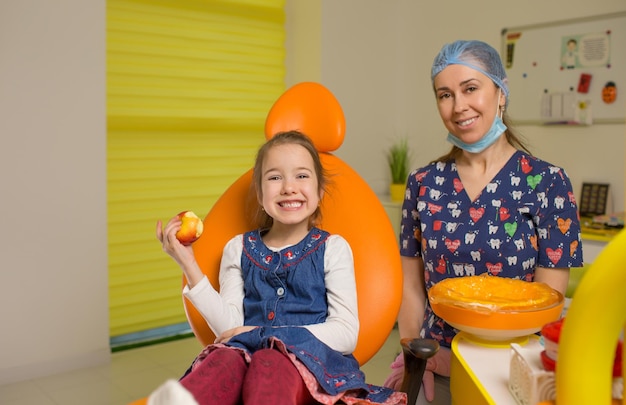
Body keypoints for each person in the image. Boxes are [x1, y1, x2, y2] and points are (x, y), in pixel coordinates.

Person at [383, 40, 584, 404]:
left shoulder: (549, 183)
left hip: (511, 373)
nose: (459, 106)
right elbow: (411, 287)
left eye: (470, 89)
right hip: (433, 367)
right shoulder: (423, 183)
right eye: (445, 95)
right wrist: (414, 355)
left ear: (501, 92)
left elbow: (547, 302)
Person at [150, 130, 404, 405]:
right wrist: (188, 263)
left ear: (319, 191)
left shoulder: (333, 248)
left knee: (271, 359)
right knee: (223, 356)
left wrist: (265, 336)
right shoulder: (238, 248)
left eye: (302, 175)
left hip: (314, 369)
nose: (288, 187)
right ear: (260, 194)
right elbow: (230, 329)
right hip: (245, 359)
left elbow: (345, 334)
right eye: (274, 177)